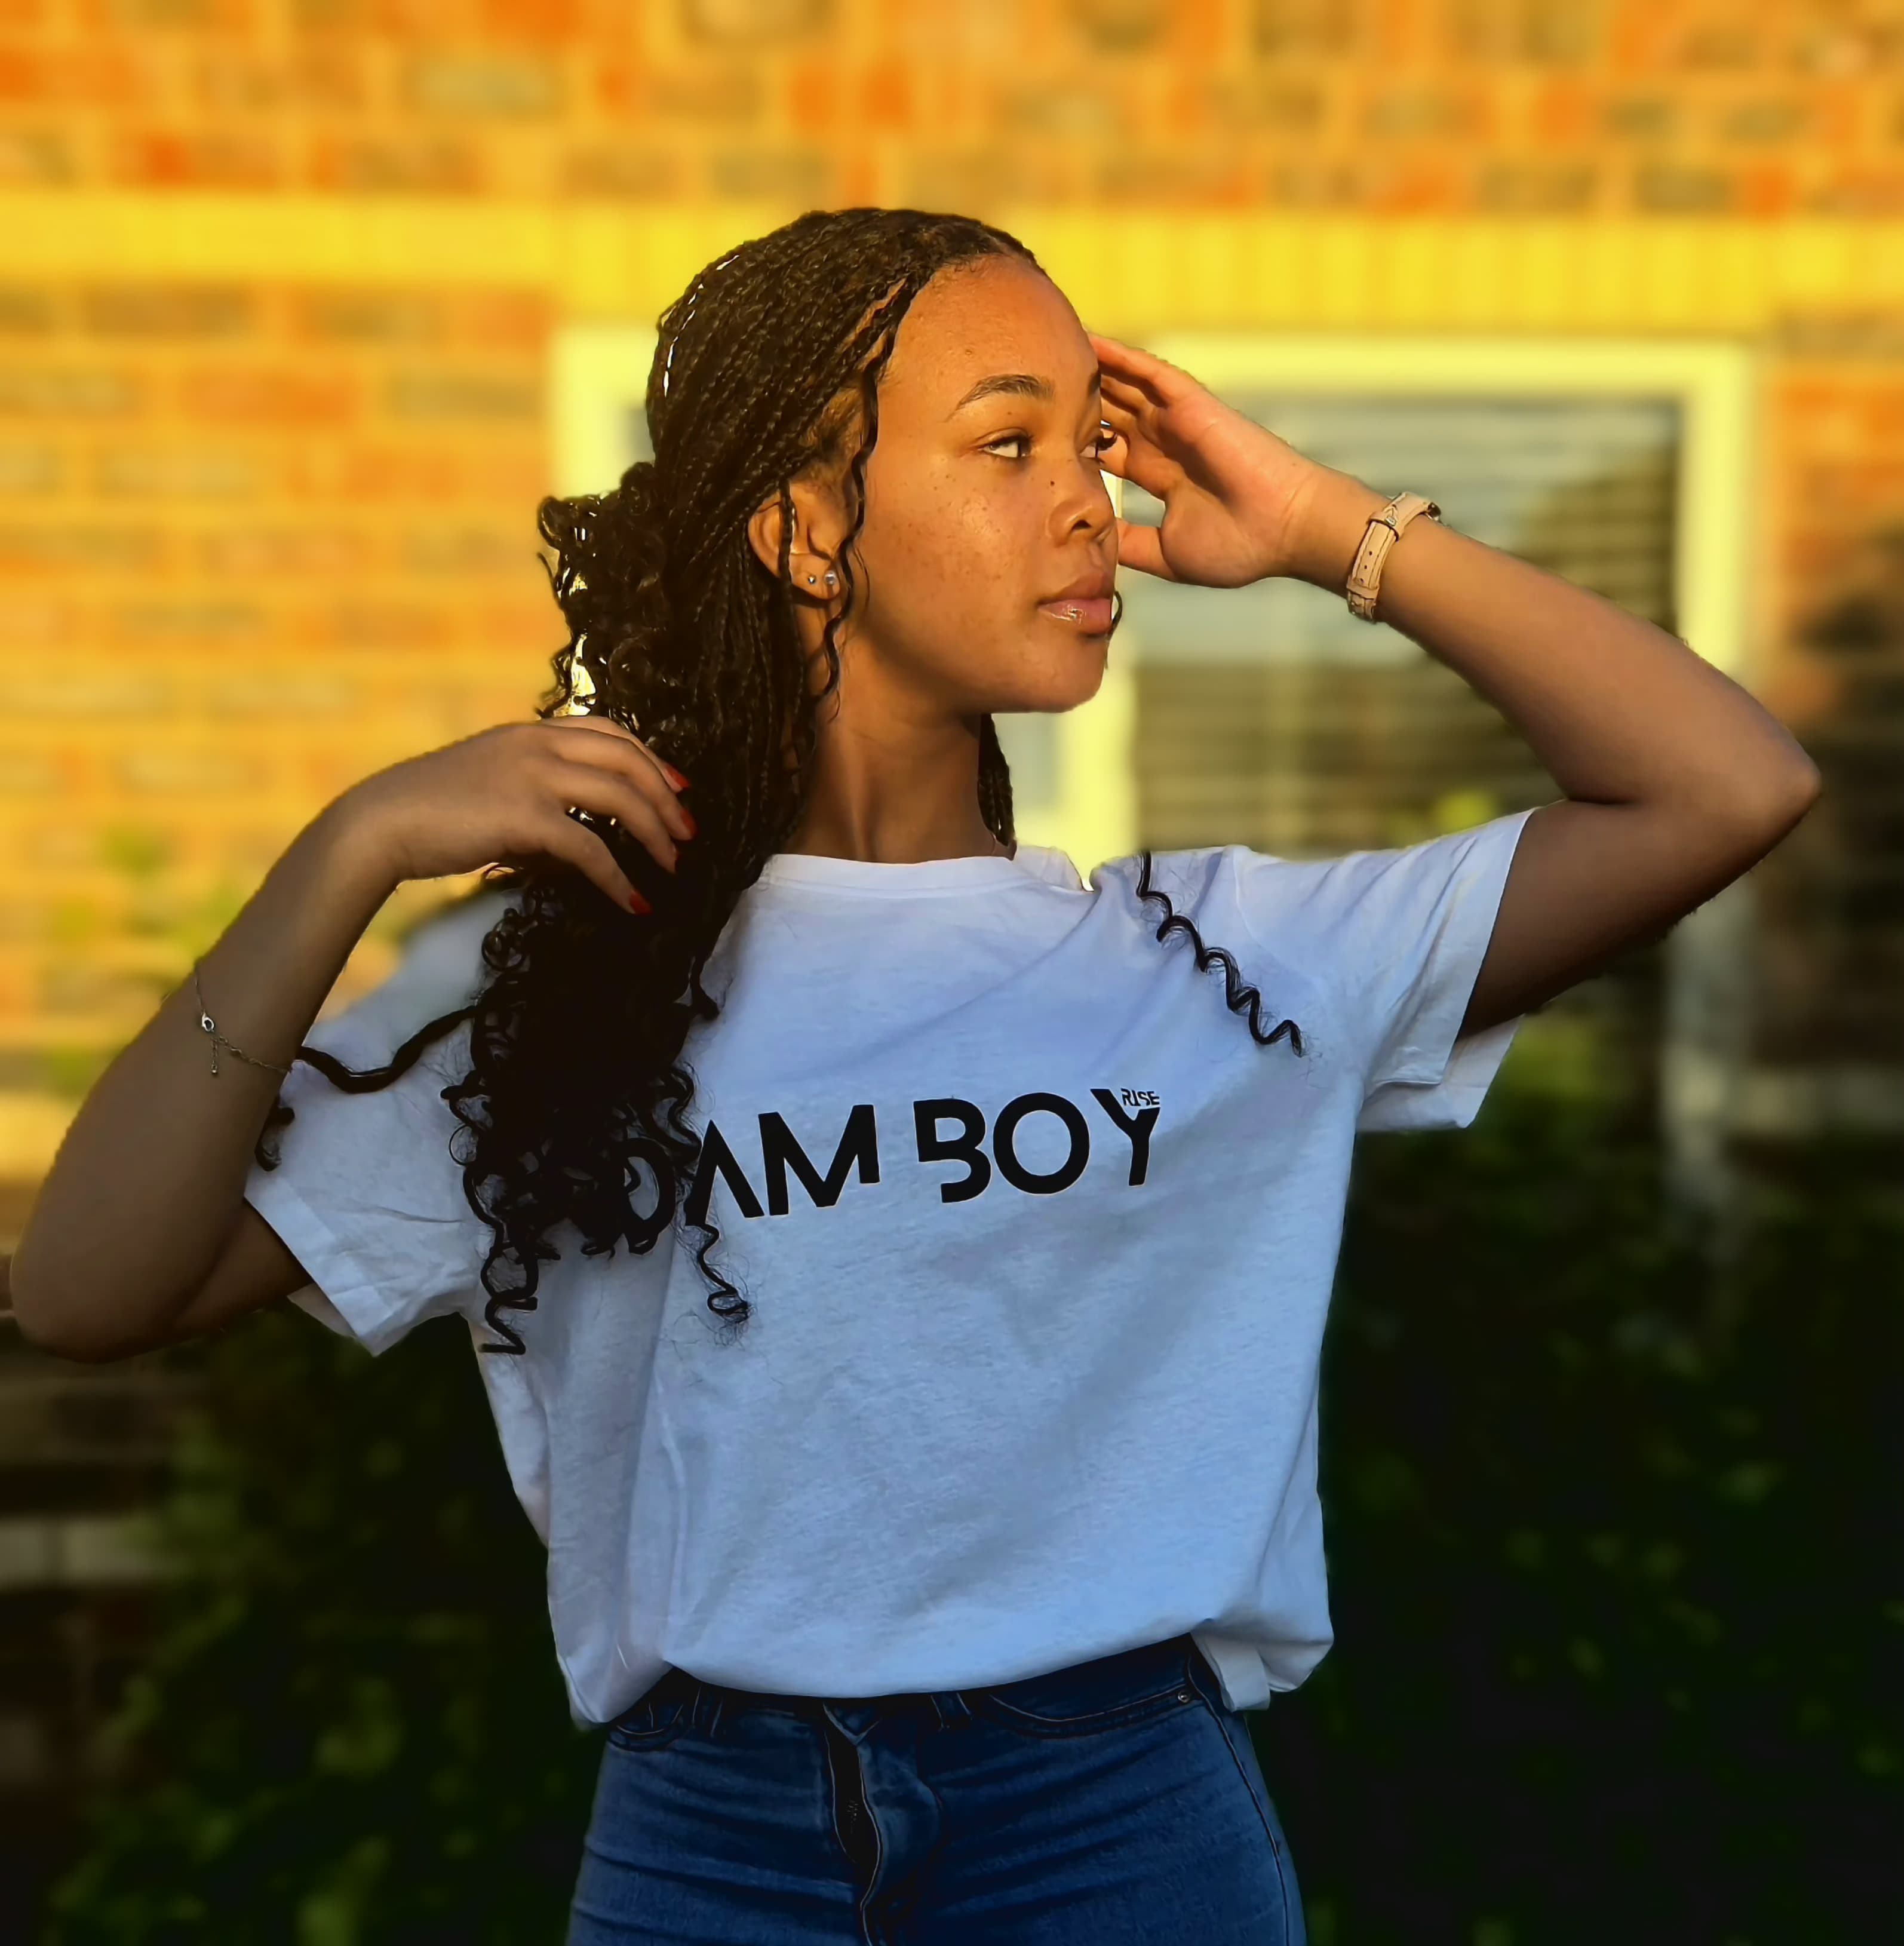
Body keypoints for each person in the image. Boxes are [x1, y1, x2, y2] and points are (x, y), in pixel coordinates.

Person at [10, 208, 1820, 1944]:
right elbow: (86, 1287)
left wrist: (1333, 530)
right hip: (710, 1847)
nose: (1089, 506)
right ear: (806, 529)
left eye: (1087, 442)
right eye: (1006, 443)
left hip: (1119, 1836)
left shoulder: (1224, 964)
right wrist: (343, 853)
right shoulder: (563, 986)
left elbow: (1722, 786)